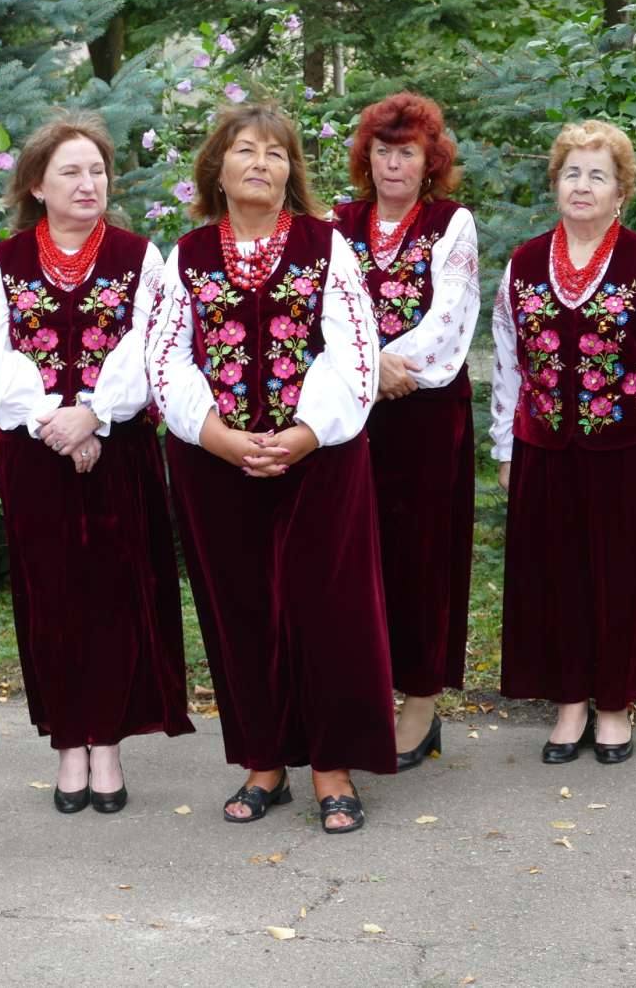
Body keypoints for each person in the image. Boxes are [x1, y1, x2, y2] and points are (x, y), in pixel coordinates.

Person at [146, 103, 390, 835]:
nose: (260, 162)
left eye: (276, 153)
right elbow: (166, 357)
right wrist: (215, 436)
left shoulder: (326, 246)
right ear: (216, 169)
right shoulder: (185, 256)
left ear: (292, 172)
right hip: (216, 467)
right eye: (245, 150)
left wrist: (306, 434)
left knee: (327, 611)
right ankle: (264, 762)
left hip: (320, 462)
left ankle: (332, 767)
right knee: (241, 610)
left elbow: (354, 350)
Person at [0, 113, 193, 815]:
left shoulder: (139, 257)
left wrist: (94, 413)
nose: (87, 182)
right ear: (37, 185)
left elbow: (151, 346)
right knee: (54, 598)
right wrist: (56, 421)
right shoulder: (3, 263)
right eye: (70, 171)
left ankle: (110, 744)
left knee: (117, 595)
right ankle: (70, 741)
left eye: (97, 170)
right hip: (35, 453)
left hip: (119, 452)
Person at [489, 119, 636, 765]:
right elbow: (508, 361)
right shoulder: (524, 263)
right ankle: (569, 701)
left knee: (618, 580)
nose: (582, 185)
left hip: (627, 450)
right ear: (556, 184)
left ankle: (613, 704)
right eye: (571, 173)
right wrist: (506, 448)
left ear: (620, 193)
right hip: (544, 448)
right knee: (556, 579)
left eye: (597, 175)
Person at [332, 92, 480, 771]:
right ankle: (362, 695)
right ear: (367, 158)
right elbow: (320, 311)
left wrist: (387, 365)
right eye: (383, 152)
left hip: (424, 415)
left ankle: (420, 703)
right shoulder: (336, 223)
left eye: (408, 153)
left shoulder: (451, 224)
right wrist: (369, 368)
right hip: (346, 414)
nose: (394, 164)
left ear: (430, 161)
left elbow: (450, 317)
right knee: (350, 556)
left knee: (420, 557)